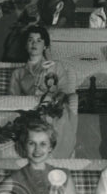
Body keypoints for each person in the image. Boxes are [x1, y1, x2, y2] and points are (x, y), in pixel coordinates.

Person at [7, 24, 78, 158]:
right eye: (30, 40)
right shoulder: (18, 73)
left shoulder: (56, 67)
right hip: (28, 112)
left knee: (55, 117)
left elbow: (63, 90)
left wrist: (52, 101)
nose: (34, 43)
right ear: (25, 45)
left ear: (45, 46)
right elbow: (12, 98)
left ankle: (56, 158)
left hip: (52, 109)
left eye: (39, 40)